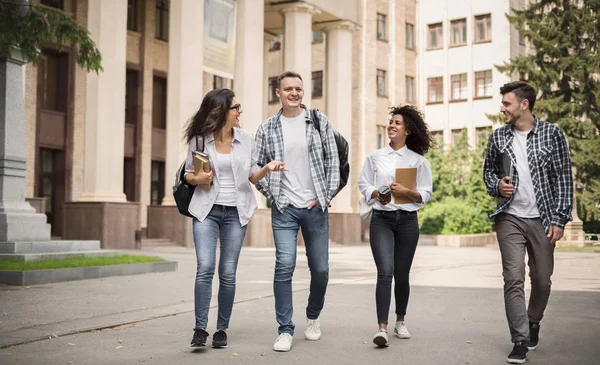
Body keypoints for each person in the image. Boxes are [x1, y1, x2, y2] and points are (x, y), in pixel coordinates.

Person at [183, 88, 286, 349]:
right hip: (206, 209)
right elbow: (188, 174)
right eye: (236, 108)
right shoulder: (199, 140)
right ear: (221, 111)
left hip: (235, 211)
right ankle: (199, 328)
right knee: (205, 268)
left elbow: (252, 176)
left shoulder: (246, 139)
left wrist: (267, 168)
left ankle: (221, 328)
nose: (240, 112)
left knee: (227, 272)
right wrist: (199, 178)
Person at [483, 81, 573, 364]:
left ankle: (533, 320)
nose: (502, 109)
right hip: (509, 216)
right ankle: (520, 339)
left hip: (544, 218)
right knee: (513, 278)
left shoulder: (552, 134)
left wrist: (559, 218)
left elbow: (563, 179)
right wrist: (498, 185)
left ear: (524, 104)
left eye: (507, 103)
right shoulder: (498, 137)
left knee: (542, 280)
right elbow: (487, 174)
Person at [254, 71, 340, 352]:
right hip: (285, 209)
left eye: (299, 89)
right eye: (288, 88)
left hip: (315, 207)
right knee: (284, 265)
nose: (294, 93)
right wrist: (276, 196)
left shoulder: (317, 121)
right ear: (277, 92)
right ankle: (285, 329)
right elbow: (254, 168)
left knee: (321, 269)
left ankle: (313, 316)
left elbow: (333, 162)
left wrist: (323, 196)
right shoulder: (267, 128)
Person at [357, 105, 433, 348]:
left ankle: (401, 320)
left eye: (397, 123)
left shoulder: (418, 161)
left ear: (408, 130)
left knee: (402, 275)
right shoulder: (375, 157)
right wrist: (375, 192)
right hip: (382, 220)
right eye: (391, 122)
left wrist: (407, 192)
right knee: (385, 272)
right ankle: (382, 328)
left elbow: (426, 194)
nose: (392, 125)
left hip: (408, 222)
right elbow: (363, 182)